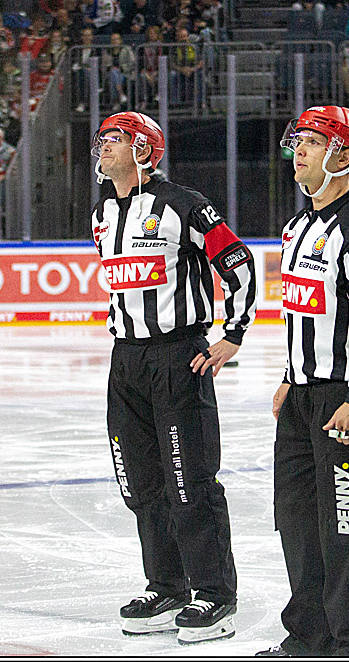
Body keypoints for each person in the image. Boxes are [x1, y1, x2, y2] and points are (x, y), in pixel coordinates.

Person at [89, 111, 256, 644]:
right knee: (141, 483)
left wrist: (233, 333)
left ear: (145, 149)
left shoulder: (183, 204)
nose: (104, 147)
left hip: (177, 357)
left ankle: (215, 594)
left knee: (190, 482)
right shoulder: (100, 214)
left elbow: (240, 263)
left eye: (115, 139)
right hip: (126, 361)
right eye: (103, 140)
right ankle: (166, 585)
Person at [259, 106, 349, 657]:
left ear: (343, 157)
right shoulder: (299, 228)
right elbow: (306, 314)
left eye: (312, 143)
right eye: (297, 141)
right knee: (297, 524)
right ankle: (309, 638)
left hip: (348, 400)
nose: (299, 151)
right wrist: (291, 379)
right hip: (302, 400)